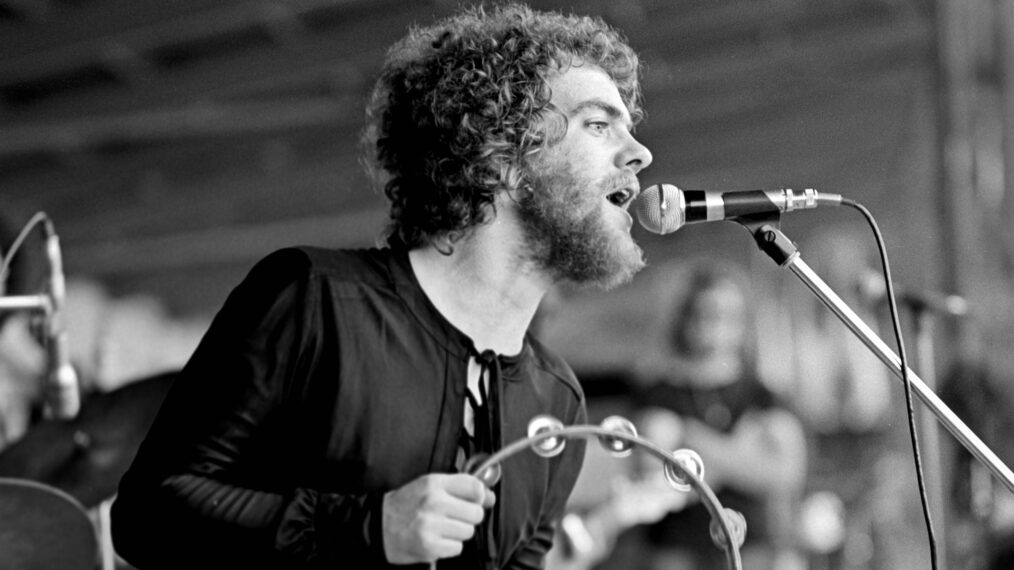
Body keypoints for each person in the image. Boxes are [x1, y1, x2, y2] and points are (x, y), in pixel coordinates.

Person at [110, 3, 654, 569]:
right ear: (502, 159)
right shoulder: (312, 297)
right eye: (598, 124)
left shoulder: (558, 401)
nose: (640, 153)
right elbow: (147, 514)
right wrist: (367, 527)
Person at [623, 260, 808, 570]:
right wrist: (744, 456)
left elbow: (787, 476)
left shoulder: (765, 395)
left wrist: (690, 438)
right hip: (676, 553)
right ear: (686, 318)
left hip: (754, 551)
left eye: (730, 316)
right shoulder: (656, 393)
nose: (717, 326)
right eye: (707, 314)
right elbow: (653, 479)